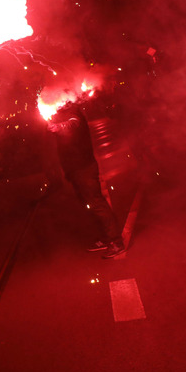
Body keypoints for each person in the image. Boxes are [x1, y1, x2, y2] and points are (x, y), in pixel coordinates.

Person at [46, 100, 127, 259]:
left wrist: (59, 127)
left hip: (84, 168)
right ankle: (106, 238)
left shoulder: (73, 112)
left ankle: (116, 242)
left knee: (97, 203)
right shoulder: (61, 113)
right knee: (89, 205)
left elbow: (73, 124)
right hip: (75, 169)